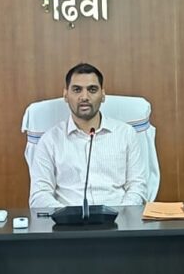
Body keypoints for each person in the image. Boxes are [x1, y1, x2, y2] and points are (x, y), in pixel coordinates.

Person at [29, 63, 148, 208]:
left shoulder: (126, 134)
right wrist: (67, 216)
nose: (84, 97)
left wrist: (121, 214)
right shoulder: (50, 140)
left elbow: (137, 187)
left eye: (92, 90)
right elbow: (40, 195)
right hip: (67, 219)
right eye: (77, 90)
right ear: (65, 95)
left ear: (103, 95)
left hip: (118, 218)